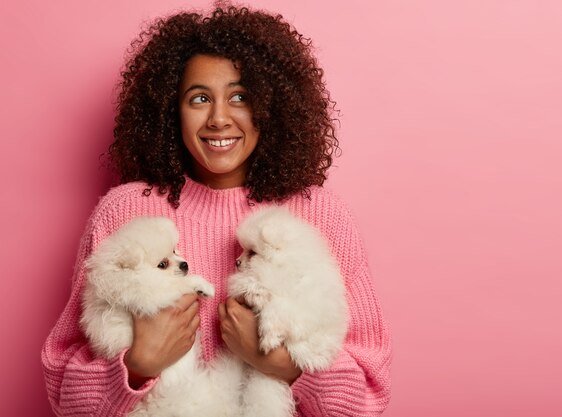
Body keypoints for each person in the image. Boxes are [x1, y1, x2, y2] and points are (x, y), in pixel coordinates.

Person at [41, 5, 391, 416]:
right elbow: (64, 389)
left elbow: (369, 394)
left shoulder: (322, 218)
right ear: (171, 111)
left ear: (270, 107)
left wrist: (279, 365)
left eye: (240, 97)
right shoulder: (126, 213)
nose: (219, 118)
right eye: (200, 98)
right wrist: (138, 366)